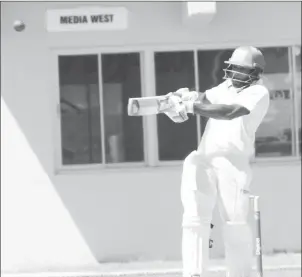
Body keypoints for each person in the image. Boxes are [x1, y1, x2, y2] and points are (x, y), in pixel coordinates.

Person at [162, 46, 270, 277]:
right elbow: (206, 99)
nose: (234, 73)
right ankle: (194, 273)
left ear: (254, 73)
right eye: (233, 68)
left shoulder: (258, 93)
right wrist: (187, 97)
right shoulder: (225, 86)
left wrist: (191, 106)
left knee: (235, 225)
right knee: (193, 218)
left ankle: (240, 274)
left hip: (233, 163)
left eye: (241, 69)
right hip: (206, 157)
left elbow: (229, 112)